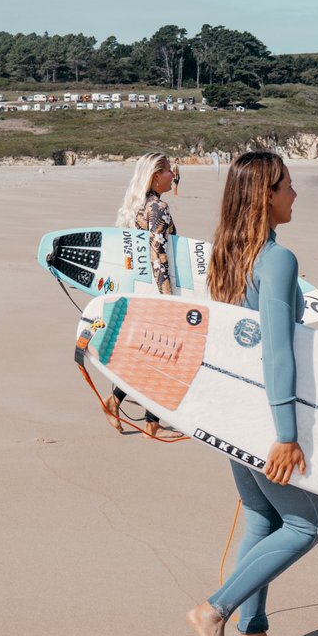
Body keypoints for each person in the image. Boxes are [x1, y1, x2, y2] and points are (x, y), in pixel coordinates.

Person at [187, 152, 318, 636]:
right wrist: (287, 433)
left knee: (264, 518)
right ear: (266, 194)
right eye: (289, 184)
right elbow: (277, 351)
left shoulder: (226, 256)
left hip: (230, 409)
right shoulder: (277, 259)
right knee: (306, 524)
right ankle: (214, 609)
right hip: (265, 416)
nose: (295, 194)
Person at [103, 152, 182, 441]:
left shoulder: (137, 207)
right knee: (162, 354)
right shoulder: (158, 207)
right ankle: (126, 408)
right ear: (155, 175)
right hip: (159, 290)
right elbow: (158, 254)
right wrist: (168, 297)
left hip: (141, 290)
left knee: (152, 353)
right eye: (169, 171)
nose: (173, 176)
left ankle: (143, 417)